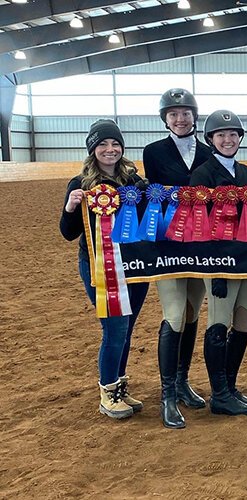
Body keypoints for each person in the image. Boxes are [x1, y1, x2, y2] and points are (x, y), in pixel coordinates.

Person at [60, 119, 150, 420]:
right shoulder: (80, 184)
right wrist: (71, 207)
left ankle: (120, 386)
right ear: (93, 149)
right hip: (100, 265)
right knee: (115, 329)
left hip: (135, 265)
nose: (110, 149)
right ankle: (108, 390)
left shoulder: (133, 180)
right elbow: (68, 233)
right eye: (103, 144)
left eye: (115, 144)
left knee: (127, 329)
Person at [143, 88, 212, 429]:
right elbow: (153, 194)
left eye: (185, 112)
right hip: (170, 243)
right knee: (173, 314)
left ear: (194, 115)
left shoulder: (210, 151)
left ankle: (183, 380)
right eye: (174, 114)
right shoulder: (153, 152)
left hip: (201, 244)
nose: (180, 118)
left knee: (192, 312)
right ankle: (167, 395)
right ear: (165, 119)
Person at [189, 110, 247, 416]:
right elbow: (198, 223)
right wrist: (213, 267)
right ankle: (219, 394)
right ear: (211, 140)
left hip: (245, 262)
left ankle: (230, 387)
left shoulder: (245, 173)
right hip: (219, 263)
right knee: (219, 324)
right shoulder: (203, 175)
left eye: (233, 135)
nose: (228, 140)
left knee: (243, 323)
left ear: (240, 138)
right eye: (221, 135)